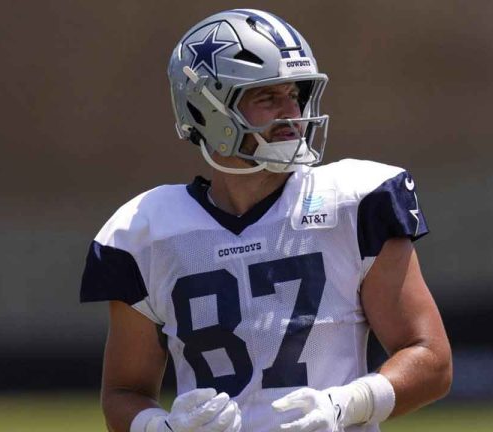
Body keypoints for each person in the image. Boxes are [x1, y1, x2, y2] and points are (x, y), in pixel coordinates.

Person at [81, 8, 451, 432]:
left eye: (295, 94)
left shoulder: (353, 203)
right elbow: (123, 393)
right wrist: (159, 428)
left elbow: (431, 360)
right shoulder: (145, 231)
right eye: (267, 97)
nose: (292, 113)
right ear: (207, 110)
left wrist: (347, 404)